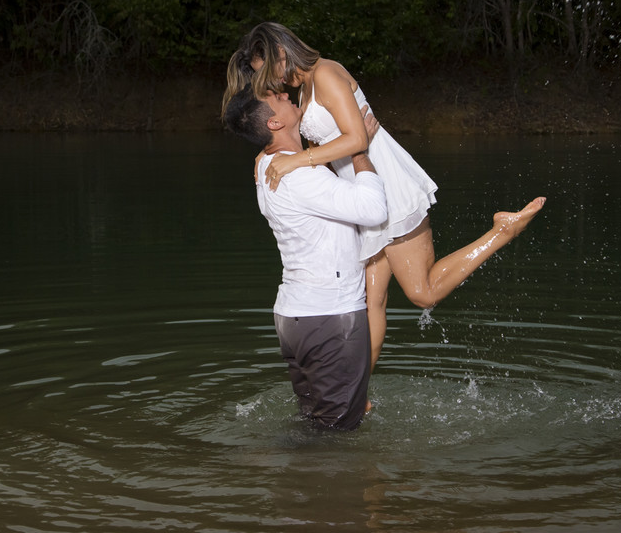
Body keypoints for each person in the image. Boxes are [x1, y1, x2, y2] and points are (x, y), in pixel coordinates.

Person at [223, 22, 546, 372]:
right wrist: (268, 156)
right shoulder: (302, 90)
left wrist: (296, 160)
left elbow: (357, 140)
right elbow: (321, 142)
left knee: (423, 292)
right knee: (371, 301)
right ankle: (358, 393)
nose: (269, 83)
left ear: (281, 53)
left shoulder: (327, 73)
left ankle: (502, 231)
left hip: (386, 185)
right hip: (361, 192)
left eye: (265, 71)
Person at [222, 81, 388, 430]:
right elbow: (373, 210)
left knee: (314, 424)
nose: (285, 94)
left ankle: (295, 479)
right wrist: (360, 152)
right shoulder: (298, 175)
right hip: (330, 317)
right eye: (277, 98)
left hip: (296, 319)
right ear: (274, 124)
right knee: (337, 435)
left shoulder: (268, 165)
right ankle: (316, 479)